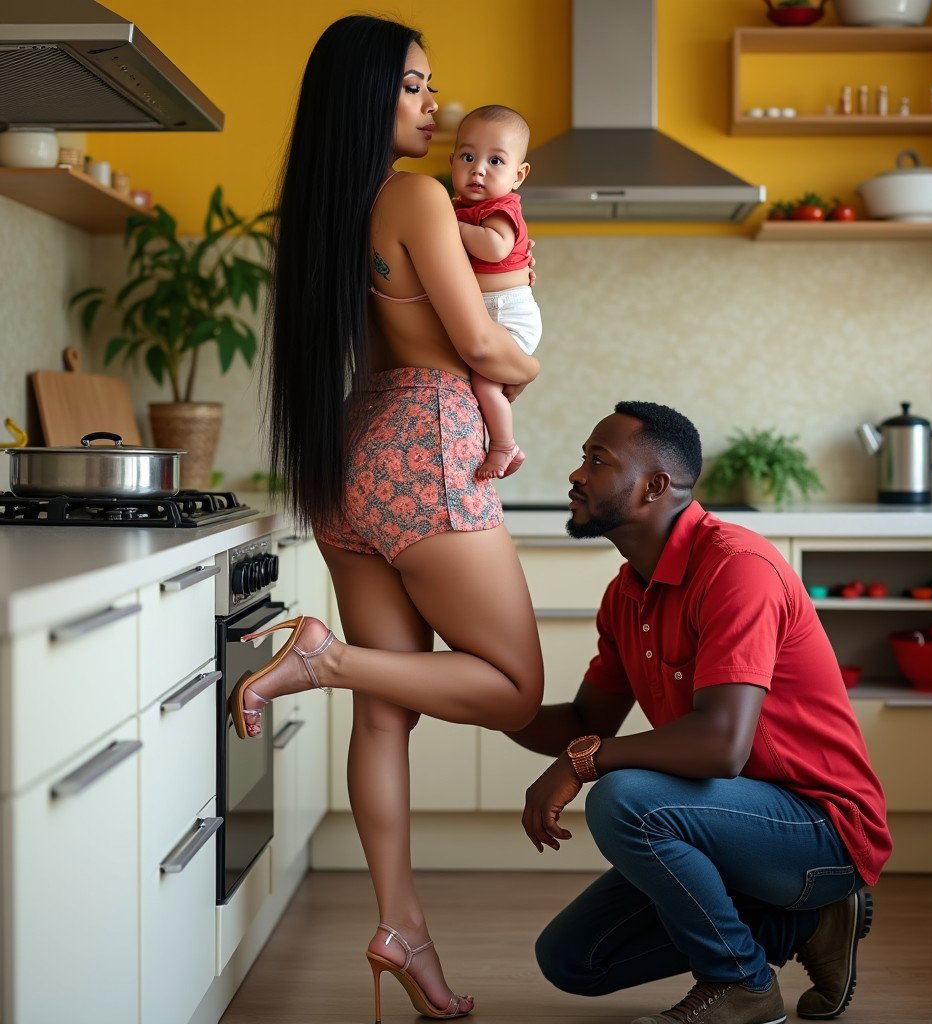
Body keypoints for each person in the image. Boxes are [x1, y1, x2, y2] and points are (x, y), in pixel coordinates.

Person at [231, 15, 545, 1021]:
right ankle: (322, 657)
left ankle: (399, 926)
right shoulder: (415, 196)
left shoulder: (326, 209)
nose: (435, 105)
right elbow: (485, 349)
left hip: (348, 454)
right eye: (415, 87)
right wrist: (529, 365)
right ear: (370, 96)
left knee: (386, 711)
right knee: (511, 688)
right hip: (428, 447)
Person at [506, 402, 892, 1024]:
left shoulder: (737, 568)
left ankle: (739, 983)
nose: (576, 475)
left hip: (820, 829)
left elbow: (721, 746)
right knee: (573, 960)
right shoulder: (626, 592)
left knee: (623, 797)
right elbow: (587, 719)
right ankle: (807, 923)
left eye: (596, 460)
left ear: (656, 485)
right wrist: (480, 698)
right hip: (727, 821)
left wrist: (586, 762)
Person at [449, 104, 541, 481]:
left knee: (484, 383)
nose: (479, 169)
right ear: (452, 159)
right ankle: (502, 442)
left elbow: (495, 248)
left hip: (508, 312)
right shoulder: (459, 208)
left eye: (496, 161)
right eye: (468, 157)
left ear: (518, 175)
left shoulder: (500, 208)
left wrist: (448, 226)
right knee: (479, 382)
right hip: (490, 310)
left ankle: (504, 443)